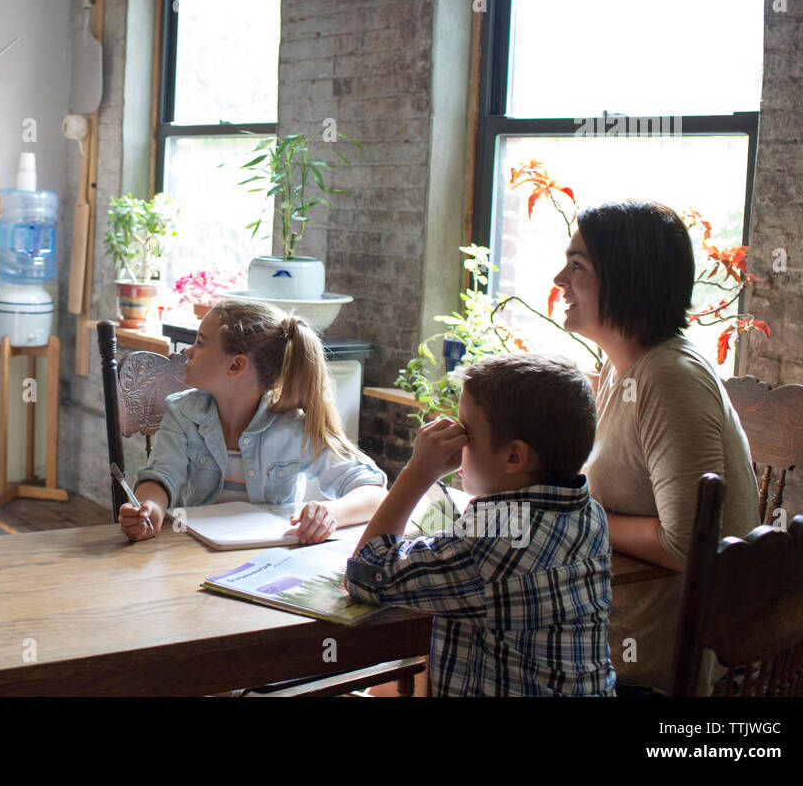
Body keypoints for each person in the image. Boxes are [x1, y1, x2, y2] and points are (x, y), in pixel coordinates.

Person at [553, 199, 758, 695]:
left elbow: (690, 545)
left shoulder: (668, 378)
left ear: (625, 279)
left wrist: (581, 516)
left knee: (456, 644)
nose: (560, 279)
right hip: (617, 635)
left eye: (577, 265)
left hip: (646, 666)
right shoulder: (625, 369)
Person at [346, 353, 614, 696]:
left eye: (466, 430)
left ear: (514, 457)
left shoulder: (492, 541)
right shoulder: (588, 512)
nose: (456, 438)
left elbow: (365, 572)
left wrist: (418, 473)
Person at [119, 298, 386, 544]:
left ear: (236, 366)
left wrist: (331, 513)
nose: (188, 351)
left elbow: (374, 493)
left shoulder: (293, 427)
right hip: (193, 557)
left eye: (200, 343)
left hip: (266, 562)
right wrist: (150, 508)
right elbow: (162, 475)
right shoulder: (182, 414)